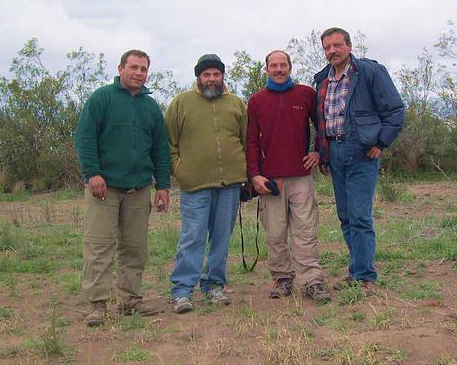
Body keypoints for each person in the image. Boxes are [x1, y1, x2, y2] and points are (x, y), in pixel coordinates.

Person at [75, 49, 171, 327]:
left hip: (139, 188)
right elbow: (85, 137)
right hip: (104, 187)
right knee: (99, 245)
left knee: (135, 247)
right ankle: (97, 304)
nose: (139, 73)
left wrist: (162, 186)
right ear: (120, 69)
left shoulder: (151, 107)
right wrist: (92, 173)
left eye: (143, 69)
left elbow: (160, 150)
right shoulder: (102, 98)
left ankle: (130, 300)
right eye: (134, 67)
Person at [313, 28, 404, 292]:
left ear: (349, 46)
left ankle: (366, 276)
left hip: (362, 152)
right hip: (335, 153)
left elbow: (395, 110)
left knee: (360, 216)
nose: (332, 51)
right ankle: (356, 272)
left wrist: (381, 143)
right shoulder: (322, 80)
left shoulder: (369, 72)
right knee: (345, 217)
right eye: (327, 47)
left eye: (337, 45)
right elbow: (320, 121)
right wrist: (322, 151)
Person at [165, 54, 247, 314]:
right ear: (198, 77)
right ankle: (182, 291)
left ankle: (214, 286)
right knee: (192, 237)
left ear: (223, 76)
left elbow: (246, 140)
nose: (211, 79)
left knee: (222, 238)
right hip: (195, 185)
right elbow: (168, 143)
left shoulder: (236, 104)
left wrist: (243, 172)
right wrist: (180, 171)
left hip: (230, 185)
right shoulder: (181, 103)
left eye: (216, 74)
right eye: (206, 74)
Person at [246, 50, 331, 303]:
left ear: (290, 67)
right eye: (274, 65)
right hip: (270, 180)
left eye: (283, 65)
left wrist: (318, 152)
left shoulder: (305, 94)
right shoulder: (257, 101)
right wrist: (254, 176)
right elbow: (250, 141)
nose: (279, 69)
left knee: (305, 231)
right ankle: (282, 279)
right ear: (267, 69)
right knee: (275, 232)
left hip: (301, 176)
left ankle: (312, 281)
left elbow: (322, 126)